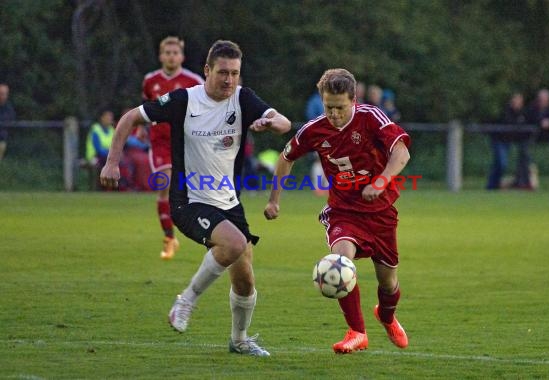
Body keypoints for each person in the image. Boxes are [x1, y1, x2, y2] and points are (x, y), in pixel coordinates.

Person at [100, 40, 291, 356]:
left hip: (229, 203)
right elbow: (130, 118)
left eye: (234, 73)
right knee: (233, 244)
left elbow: (283, 122)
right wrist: (111, 161)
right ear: (207, 70)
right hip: (189, 200)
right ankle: (185, 301)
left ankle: (239, 340)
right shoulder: (183, 101)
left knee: (244, 280)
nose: (229, 80)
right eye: (222, 73)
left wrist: (269, 123)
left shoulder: (243, 98)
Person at [264, 68, 411, 353]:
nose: (333, 114)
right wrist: (274, 200)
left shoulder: (371, 118)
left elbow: (401, 152)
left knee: (389, 282)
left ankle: (386, 315)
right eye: (328, 107)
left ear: (353, 100)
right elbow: (286, 158)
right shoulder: (315, 129)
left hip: (380, 213)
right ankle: (357, 332)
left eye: (340, 107)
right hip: (343, 211)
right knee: (340, 262)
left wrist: (380, 182)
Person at [142, 36, 205, 260]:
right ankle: (169, 238)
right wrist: (141, 127)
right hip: (159, 143)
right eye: (167, 53)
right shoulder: (151, 81)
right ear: (161, 56)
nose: (171, 56)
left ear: (182, 56)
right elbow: (146, 107)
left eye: (175, 53)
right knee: (164, 184)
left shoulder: (193, 80)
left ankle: (201, 229)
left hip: (187, 143)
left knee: (191, 191)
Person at [486, 92, 526, 190]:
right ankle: (492, 186)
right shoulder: (506, 111)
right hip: (499, 141)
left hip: (507, 142)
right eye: (516, 101)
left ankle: (492, 186)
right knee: (501, 163)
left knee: (499, 164)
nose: (518, 103)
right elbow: (507, 122)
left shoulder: (521, 113)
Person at [85, 110, 115, 189]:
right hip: (94, 157)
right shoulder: (96, 130)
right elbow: (98, 150)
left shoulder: (112, 130)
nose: (110, 119)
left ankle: (119, 187)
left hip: (108, 157)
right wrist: (111, 154)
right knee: (105, 162)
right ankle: (103, 187)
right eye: (108, 116)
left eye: (111, 117)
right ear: (102, 118)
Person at [0, 82, 16, 161]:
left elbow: (10, 120)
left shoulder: (8, 108)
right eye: (1, 93)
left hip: (1, 139)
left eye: (5, 94)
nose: (3, 96)